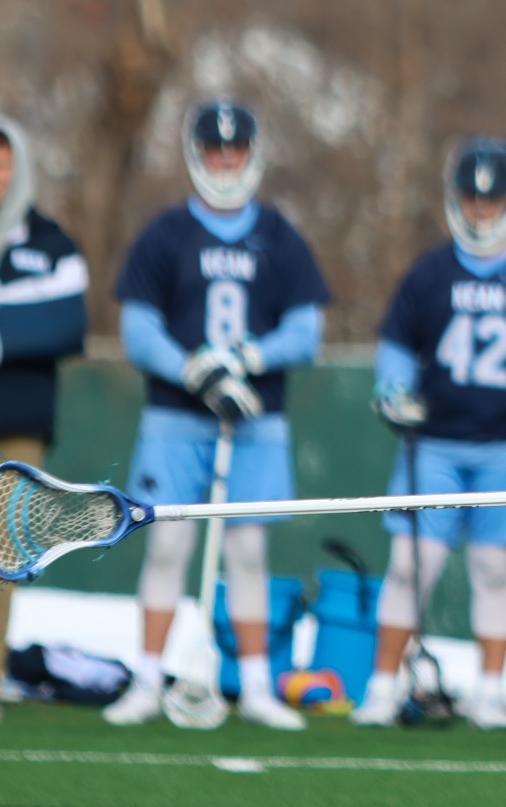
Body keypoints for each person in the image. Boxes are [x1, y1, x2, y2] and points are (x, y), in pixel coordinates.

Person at [103, 100, 329, 731]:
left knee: (248, 550)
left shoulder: (280, 236)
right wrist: (193, 369)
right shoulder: (166, 234)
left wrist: (247, 358)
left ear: (251, 153)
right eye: (213, 150)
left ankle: (256, 685)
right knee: (168, 542)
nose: (224, 162)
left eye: (233, 150)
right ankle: (148, 679)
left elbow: (307, 331)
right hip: (177, 417)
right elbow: (138, 328)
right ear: (195, 154)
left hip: (256, 419)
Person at [351, 137, 506, 730]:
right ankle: (382, 686)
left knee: (494, 571)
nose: (482, 212)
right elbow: (397, 345)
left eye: (492, 201)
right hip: (434, 444)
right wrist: (393, 388)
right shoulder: (431, 270)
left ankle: (489, 691)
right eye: (473, 201)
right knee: (412, 565)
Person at [0, 114, 88, 722]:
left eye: (3, 163)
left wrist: (1, 336)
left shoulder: (50, 242)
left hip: (18, 421)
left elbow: (68, 320)